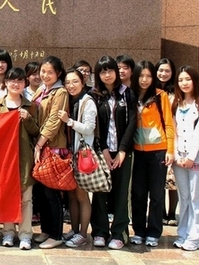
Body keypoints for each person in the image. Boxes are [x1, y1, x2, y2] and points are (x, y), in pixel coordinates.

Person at [90, 56, 136, 250]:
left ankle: (119, 233)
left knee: (121, 192)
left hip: (123, 152)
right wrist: (104, 150)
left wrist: (123, 150)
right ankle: (100, 232)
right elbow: (96, 126)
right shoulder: (94, 96)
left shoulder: (127, 94)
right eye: (103, 71)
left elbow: (132, 122)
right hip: (103, 151)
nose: (107, 75)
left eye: (110, 70)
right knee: (100, 191)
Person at [0, 67, 38, 250]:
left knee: (26, 198)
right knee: (6, 196)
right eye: (12, 81)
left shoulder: (31, 106)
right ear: (6, 83)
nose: (16, 84)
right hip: (4, 159)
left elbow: (37, 132)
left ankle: (25, 235)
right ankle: (8, 232)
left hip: (24, 158)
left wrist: (28, 119)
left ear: (25, 83)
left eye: (19, 81)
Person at [130, 60, 175, 248]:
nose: (145, 80)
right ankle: (139, 231)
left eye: (148, 76)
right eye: (141, 75)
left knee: (156, 194)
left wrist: (170, 149)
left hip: (158, 151)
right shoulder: (131, 95)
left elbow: (169, 123)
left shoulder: (160, 96)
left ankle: (154, 232)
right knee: (138, 194)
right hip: (137, 152)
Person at [171, 66, 199, 251]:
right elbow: (173, 131)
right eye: (181, 80)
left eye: (188, 79)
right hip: (179, 157)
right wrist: (175, 155)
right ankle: (183, 234)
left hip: (198, 154)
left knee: (197, 197)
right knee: (185, 197)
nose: (184, 83)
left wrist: (190, 156)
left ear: (195, 80)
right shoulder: (176, 102)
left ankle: (195, 238)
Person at [31, 56, 69, 250]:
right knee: (42, 192)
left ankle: (56, 234)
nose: (45, 75)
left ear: (58, 74)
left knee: (52, 192)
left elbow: (54, 120)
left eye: (50, 72)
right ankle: (46, 230)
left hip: (51, 147)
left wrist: (39, 144)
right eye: (43, 71)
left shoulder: (60, 92)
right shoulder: (41, 90)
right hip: (40, 146)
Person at [58, 68, 95, 248]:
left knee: (82, 195)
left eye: (75, 82)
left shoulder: (88, 101)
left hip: (81, 154)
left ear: (82, 82)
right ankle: (74, 230)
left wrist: (69, 121)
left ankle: (83, 233)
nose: (71, 85)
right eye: (68, 82)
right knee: (71, 195)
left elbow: (89, 128)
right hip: (69, 154)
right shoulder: (68, 100)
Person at [156, 57, 178, 226]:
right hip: (156, 139)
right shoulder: (152, 90)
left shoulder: (177, 92)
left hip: (174, 137)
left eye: (167, 71)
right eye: (161, 70)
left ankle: (172, 214)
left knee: (173, 179)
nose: (163, 74)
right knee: (159, 178)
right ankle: (161, 213)